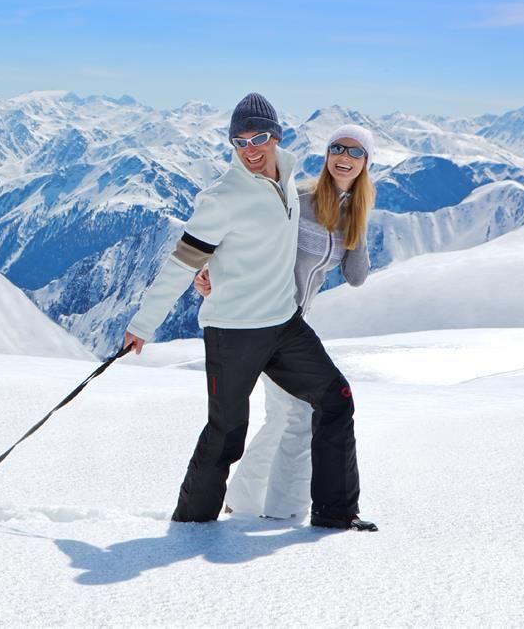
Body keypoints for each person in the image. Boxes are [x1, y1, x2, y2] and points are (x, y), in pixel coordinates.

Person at [122, 93, 376, 530]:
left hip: (284, 323)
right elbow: (183, 261)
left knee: (336, 399)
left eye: (258, 138)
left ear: (276, 137)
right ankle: (190, 527)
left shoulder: (289, 184)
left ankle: (336, 514)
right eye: (239, 141)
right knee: (227, 431)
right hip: (234, 330)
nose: (250, 149)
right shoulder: (223, 197)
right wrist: (143, 323)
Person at [194, 124, 376, 519]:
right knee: (301, 414)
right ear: (327, 155)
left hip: (294, 327)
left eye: (355, 152)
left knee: (282, 415)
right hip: (262, 319)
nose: (344, 157)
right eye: (337, 148)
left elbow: (356, 276)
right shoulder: (300, 199)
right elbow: (250, 236)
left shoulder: (351, 213)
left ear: (366, 163)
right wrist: (212, 270)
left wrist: (357, 221)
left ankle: (241, 501)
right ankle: (283, 513)